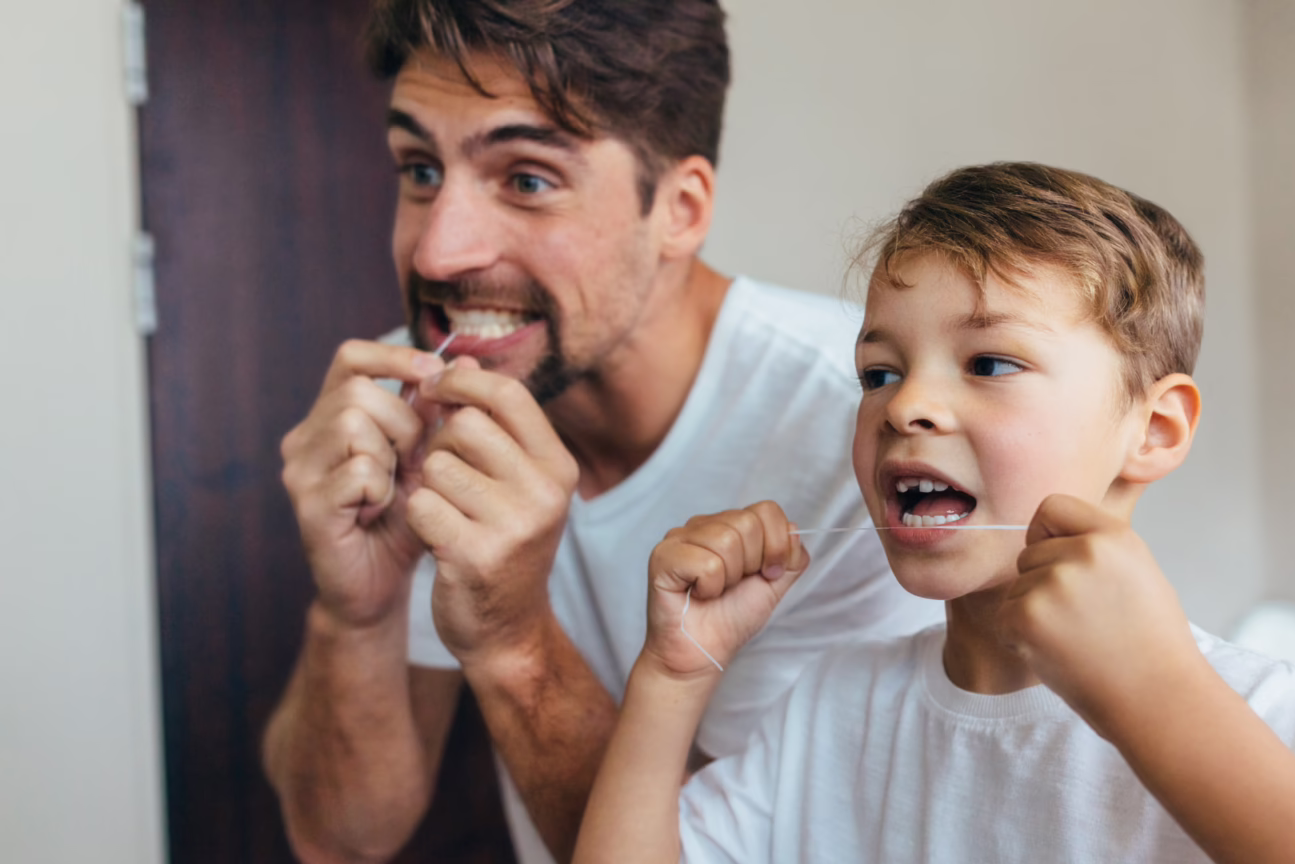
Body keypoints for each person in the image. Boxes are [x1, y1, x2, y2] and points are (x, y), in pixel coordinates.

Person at [573, 163, 1295, 864]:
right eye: (878, 373)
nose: (906, 405)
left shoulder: (1251, 706)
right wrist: (673, 679)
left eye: (990, 364)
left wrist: (1156, 698)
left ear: (1152, 429)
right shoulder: (835, 708)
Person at [260, 2, 941, 863]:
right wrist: (353, 614)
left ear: (681, 210)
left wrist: (514, 646)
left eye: (527, 179)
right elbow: (340, 839)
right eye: (419, 169)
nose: (438, 254)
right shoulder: (418, 397)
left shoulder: (870, 436)